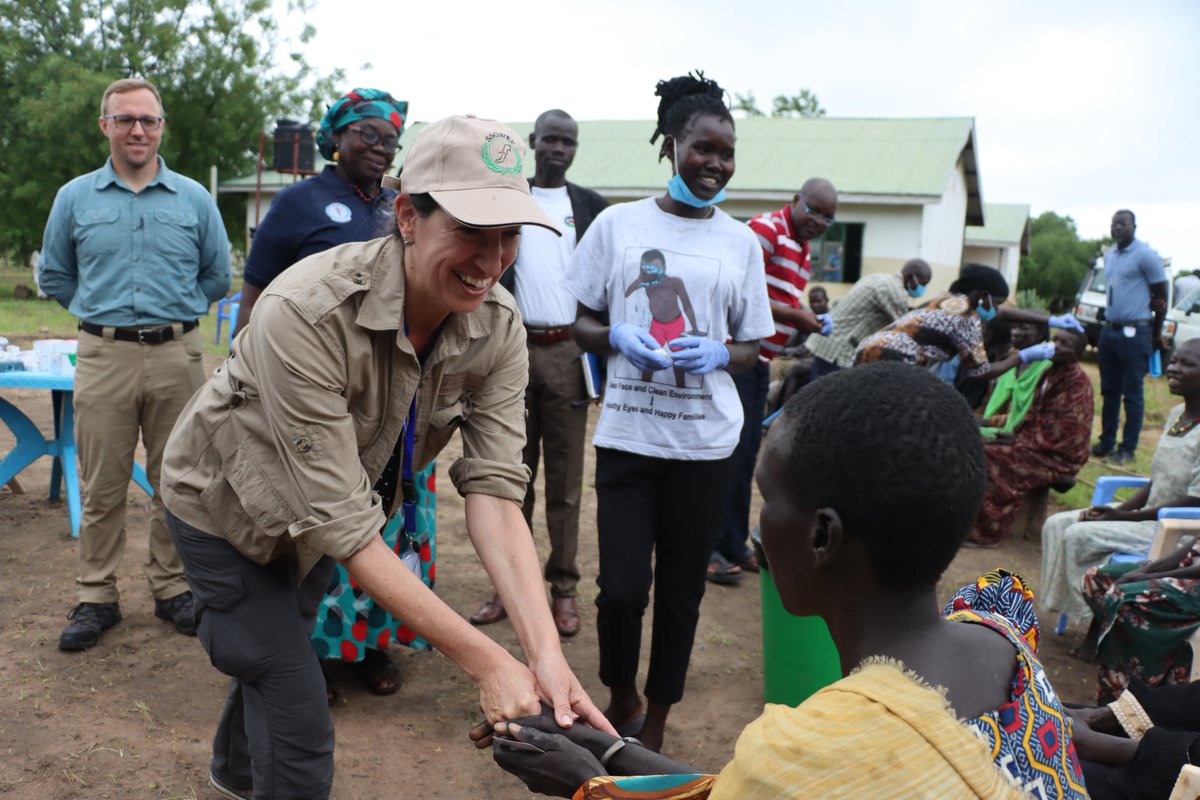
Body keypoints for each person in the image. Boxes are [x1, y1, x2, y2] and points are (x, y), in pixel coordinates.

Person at [159, 115, 612, 800]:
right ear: (407, 216)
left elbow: (492, 493)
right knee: (296, 706)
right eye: (469, 231)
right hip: (224, 509)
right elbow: (345, 525)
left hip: (323, 517)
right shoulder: (305, 312)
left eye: (509, 236)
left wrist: (546, 658)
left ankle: (235, 772)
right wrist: (489, 663)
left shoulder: (497, 327)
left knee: (273, 651)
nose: (490, 263)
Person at [484, 364, 1086, 799]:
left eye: (767, 499)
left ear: (822, 537)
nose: (756, 524)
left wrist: (584, 787)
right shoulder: (1002, 631)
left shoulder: (813, 749)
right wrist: (609, 750)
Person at [562, 72, 774, 752]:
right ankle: (619, 687)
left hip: (705, 447)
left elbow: (750, 345)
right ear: (670, 144)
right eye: (702, 148)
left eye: (726, 152)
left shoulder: (741, 243)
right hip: (627, 436)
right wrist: (615, 338)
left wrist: (718, 353)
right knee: (621, 590)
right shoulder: (617, 225)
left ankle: (655, 715)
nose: (715, 164)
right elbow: (582, 320)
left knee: (682, 594)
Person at [232, 89, 418, 701]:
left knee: (382, 524)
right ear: (335, 137)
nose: (380, 146)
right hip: (310, 396)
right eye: (366, 133)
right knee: (314, 528)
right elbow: (255, 299)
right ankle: (303, 658)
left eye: (389, 137)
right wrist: (243, 373)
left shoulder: (403, 207)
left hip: (391, 397)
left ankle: (369, 647)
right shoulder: (299, 203)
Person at [38, 77, 231, 652]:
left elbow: (217, 275)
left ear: (161, 126)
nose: (137, 130)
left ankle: (173, 589)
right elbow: (55, 273)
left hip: (178, 355)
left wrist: (176, 317)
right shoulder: (75, 197)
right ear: (106, 126)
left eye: (148, 119)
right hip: (104, 356)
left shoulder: (195, 198)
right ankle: (96, 596)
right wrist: (98, 315)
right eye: (125, 119)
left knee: (176, 480)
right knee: (102, 484)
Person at [470, 109, 608, 638]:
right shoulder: (510, 200)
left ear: (575, 149)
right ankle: (508, 586)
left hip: (570, 352)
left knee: (566, 484)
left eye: (568, 141)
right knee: (509, 476)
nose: (558, 148)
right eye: (550, 139)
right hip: (511, 350)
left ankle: (564, 590)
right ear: (532, 143)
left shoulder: (591, 208)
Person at [708, 180, 834, 585]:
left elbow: (783, 296)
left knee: (746, 456)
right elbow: (742, 284)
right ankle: (709, 550)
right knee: (725, 454)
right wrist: (795, 317)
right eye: (814, 210)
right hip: (737, 357)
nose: (820, 220)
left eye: (828, 217)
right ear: (795, 201)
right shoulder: (766, 230)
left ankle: (732, 543)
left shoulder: (801, 248)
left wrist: (803, 315)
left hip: (761, 360)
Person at [1040, 338, 1200, 629]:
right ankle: (1070, 608)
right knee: (1057, 523)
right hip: (1145, 514)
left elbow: (1194, 501)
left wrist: (1125, 515)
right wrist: (1116, 509)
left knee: (1078, 535)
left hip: (1173, 529)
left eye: (1186, 364)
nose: (1173, 368)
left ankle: (1096, 621)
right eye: (1174, 360)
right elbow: (1158, 479)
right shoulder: (1177, 415)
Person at [967, 322, 1093, 546]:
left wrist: (1021, 441)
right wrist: (1016, 435)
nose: (1057, 346)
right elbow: (1035, 415)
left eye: (1066, 344)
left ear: (1079, 354)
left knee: (992, 459)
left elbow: (1065, 434)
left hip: (1057, 458)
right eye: (1057, 340)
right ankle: (969, 522)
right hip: (1036, 446)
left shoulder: (1076, 383)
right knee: (980, 446)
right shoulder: (1049, 373)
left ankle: (987, 533)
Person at [853, 263, 1082, 379]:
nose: (998, 308)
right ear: (984, 295)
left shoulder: (950, 299)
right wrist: (1022, 357)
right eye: (997, 302)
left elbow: (1002, 314)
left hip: (869, 348)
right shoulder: (966, 321)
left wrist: (1052, 320)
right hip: (893, 363)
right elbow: (980, 373)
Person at [1082, 540, 1200, 702]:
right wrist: (1146, 570)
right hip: (1186, 569)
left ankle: (1125, 696)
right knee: (1096, 578)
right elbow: (1195, 544)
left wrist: (1151, 576)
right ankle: (1137, 666)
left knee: (1124, 599)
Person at [1093, 209, 1168, 465]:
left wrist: (1156, 334)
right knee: (1109, 391)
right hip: (1110, 331)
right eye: (1114, 224)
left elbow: (1160, 296)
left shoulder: (1145, 255)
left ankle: (1128, 448)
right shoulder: (1110, 254)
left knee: (1132, 393)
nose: (1117, 228)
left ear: (1134, 226)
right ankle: (1106, 442)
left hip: (1137, 332)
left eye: (1122, 224)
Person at [1069, 680, 1200, 800]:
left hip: (1175, 779)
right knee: (1060, 719)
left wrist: (1095, 745)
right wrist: (1110, 716)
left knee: (1059, 767)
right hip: (1169, 745)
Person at [806, 258, 931, 379]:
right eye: (922, 284)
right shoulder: (896, 292)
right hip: (838, 351)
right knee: (833, 397)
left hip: (828, 343)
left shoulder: (879, 277)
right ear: (911, 277)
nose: (922, 289)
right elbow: (906, 330)